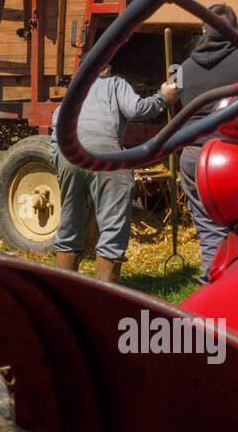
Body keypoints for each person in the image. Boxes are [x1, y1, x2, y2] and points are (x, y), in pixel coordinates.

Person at [53, 68, 178, 282]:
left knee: (70, 224)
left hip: (68, 155)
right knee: (113, 224)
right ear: (104, 70)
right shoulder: (114, 84)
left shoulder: (70, 96)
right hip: (104, 154)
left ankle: (64, 291)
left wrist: (59, 165)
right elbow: (136, 110)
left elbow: (55, 137)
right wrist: (163, 98)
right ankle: (104, 297)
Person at [177, 3, 238, 280]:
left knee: (209, 230)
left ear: (203, 29)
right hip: (237, 153)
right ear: (235, 30)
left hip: (196, 157)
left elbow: (176, 100)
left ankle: (216, 289)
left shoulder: (182, 67)